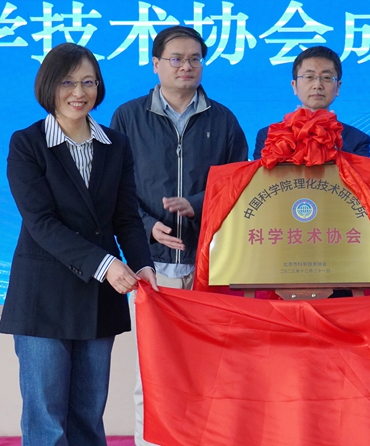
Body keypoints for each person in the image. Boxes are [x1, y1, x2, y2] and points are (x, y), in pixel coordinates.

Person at [0, 42, 159, 446]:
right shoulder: (27, 143)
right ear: (49, 86)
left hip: (97, 299)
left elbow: (126, 217)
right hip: (43, 297)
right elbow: (41, 223)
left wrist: (143, 265)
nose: (79, 92)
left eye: (89, 82)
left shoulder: (116, 144)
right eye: (68, 82)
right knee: (47, 420)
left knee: (88, 417)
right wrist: (107, 265)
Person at [109, 25, 248, 446]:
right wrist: (146, 226)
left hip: (208, 266)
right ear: (156, 64)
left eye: (194, 59)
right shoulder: (128, 117)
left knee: (207, 371)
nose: (186, 66)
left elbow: (239, 185)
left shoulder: (223, 120)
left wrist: (199, 204)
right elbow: (115, 190)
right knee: (152, 372)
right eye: (176, 58)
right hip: (151, 267)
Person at [253, 45, 370, 158]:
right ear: (294, 86)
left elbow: (358, 171)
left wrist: (331, 135)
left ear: (338, 87)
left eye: (326, 77)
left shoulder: (358, 140)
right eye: (309, 77)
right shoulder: (269, 135)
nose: (317, 85)